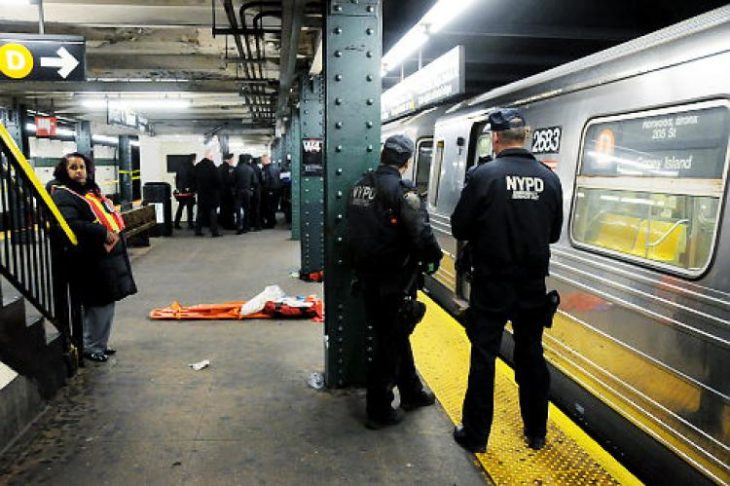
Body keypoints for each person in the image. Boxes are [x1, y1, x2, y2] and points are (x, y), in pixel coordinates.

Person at [450, 108, 563, 453]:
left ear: (496, 138)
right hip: (531, 286)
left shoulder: (485, 176)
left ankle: (476, 435)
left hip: (492, 284)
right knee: (531, 356)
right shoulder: (549, 178)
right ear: (524, 137)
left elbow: (459, 227)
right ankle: (536, 433)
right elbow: (554, 234)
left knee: (484, 357)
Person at [347, 134, 443, 429]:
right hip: (394, 279)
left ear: (382, 155)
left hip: (367, 276)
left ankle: (412, 390)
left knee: (395, 334)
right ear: (406, 161)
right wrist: (434, 256)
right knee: (389, 342)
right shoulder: (402, 191)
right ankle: (379, 409)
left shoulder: (360, 186)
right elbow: (420, 232)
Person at [51, 152, 137, 362]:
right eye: (73, 167)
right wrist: (101, 232)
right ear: (65, 171)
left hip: (105, 258)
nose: (79, 171)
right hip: (90, 260)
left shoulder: (90, 191)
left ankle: (99, 343)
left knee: (106, 303)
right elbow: (70, 224)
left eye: (82, 166)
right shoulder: (63, 195)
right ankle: (91, 346)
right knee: (98, 304)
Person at [193, 154, 222, 237]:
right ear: (210, 158)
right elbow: (217, 180)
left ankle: (197, 230)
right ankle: (214, 232)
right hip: (212, 193)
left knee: (200, 213)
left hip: (201, 193)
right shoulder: (212, 167)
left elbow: (193, 178)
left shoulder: (198, 167)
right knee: (213, 213)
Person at [233, 153, 256, 234]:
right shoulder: (250, 169)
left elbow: (232, 181)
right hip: (248, 191)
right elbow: (255, 181)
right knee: (247, 209)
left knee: (238, 210)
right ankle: (246, 226)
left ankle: (239, 226)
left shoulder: (236, 169)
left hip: (238, 191)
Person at [173, 154, 196, 230]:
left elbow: (177, 178)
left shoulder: (180, 166)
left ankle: (176, 223)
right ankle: (190, 224)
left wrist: (178, 188)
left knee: (180, 207)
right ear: (193, 159)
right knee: (190, 208)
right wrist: (194, 189)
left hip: (181, 191)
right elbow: (194, 179)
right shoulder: (192, 167)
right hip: (189, 191)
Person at [260, 154, 281, 228]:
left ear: (265, 160)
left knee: (269, 207)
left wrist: (267, 190)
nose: (261, 162)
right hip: (277, 190)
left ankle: (270, 223)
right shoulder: (276, 168)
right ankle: (273, 221)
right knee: (273, 206)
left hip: (270, 190)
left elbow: (267, 180)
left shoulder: (266, 169)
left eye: (262, 160)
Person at [218, 153, 236, 230]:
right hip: (228, 192)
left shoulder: (219, 168)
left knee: (223, 208)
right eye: (232, 159)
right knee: (229, 209)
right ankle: (229, 224)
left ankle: (223, 223)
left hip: (220, 192)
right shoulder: (229, 169)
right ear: (229, 160)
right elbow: (230, 181)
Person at [248, 156, 263, 231]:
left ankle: (250, 223)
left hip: (249, 190)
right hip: (257, 190)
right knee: (257, 207)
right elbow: (261, 179)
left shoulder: (249, 168)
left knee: (250, 208)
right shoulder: (258, 168)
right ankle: (257, 225)